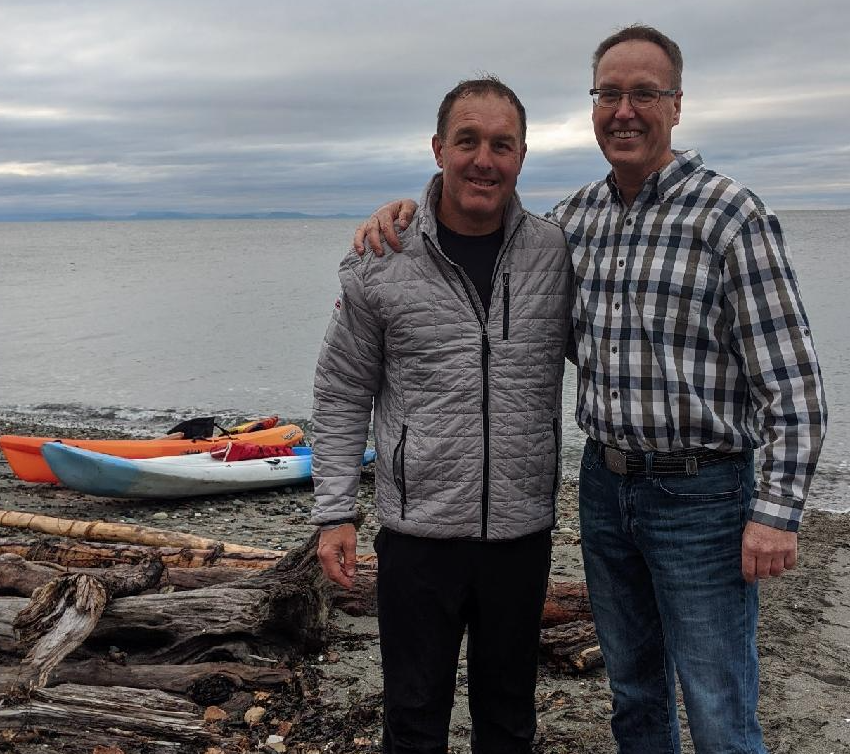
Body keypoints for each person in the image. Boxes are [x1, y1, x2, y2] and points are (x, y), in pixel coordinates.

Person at [352, 25, 827, 754]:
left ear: (676, 105)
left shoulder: (729, 216)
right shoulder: (573, 224)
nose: (624, 111)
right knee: (632, 693)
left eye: (644, 94)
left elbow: (793, 384)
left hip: (703, 495)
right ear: (593, 107)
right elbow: (489, 238)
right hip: (603, 489)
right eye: (609, 94)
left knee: (717, 704)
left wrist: (777, 514)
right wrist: (406, 217)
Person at [310, 77, 573, 753]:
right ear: (437, 149)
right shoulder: (381, 258)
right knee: (413, 718)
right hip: (417, 535)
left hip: (521, 532)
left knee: (509, 722)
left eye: (502, 145)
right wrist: (335, 513)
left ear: (521, 156)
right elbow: (342, 392)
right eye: (467, 141)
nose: (484, 159)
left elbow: (614, 349)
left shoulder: (556, 253)